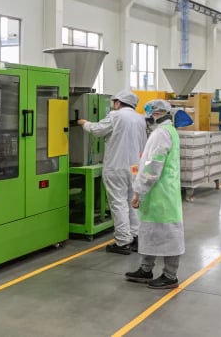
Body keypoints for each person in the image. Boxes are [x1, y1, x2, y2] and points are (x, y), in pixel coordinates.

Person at [77, 90, 146, 254]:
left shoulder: (116, 116)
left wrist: (84, 123)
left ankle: (122, 242)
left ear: (118, 103)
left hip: (117, 166)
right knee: (133, 202)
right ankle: (136, 237)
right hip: (135, 167)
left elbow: (98, 130)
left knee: (118, 203)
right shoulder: (140, 118)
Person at [125, 100, 184, 289]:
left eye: (149, 112)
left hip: (162, 193)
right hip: (156, 193)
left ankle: (170, 275)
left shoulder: (162, 133)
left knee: (168, 234)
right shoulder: (165, 131)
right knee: (149, 231)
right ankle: (146, 269)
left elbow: (153, 166)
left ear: (157, 113)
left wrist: (138, 190)